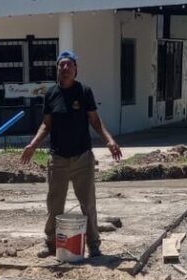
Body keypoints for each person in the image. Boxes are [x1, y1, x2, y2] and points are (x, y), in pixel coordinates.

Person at [21, 50, 123, 258]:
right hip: (57, 159)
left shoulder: (84, 91)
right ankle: (50, 242)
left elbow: (94, 120)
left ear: (75, 69)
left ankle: (94, 245)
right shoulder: (50, 94)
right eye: (62, 65)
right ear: (57, 69)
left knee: (88, 203)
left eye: (69, 65)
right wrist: (32, 144)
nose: (65, 68)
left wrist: (109, 140)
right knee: (54, 204)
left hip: (82, 158)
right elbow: (46, 124)